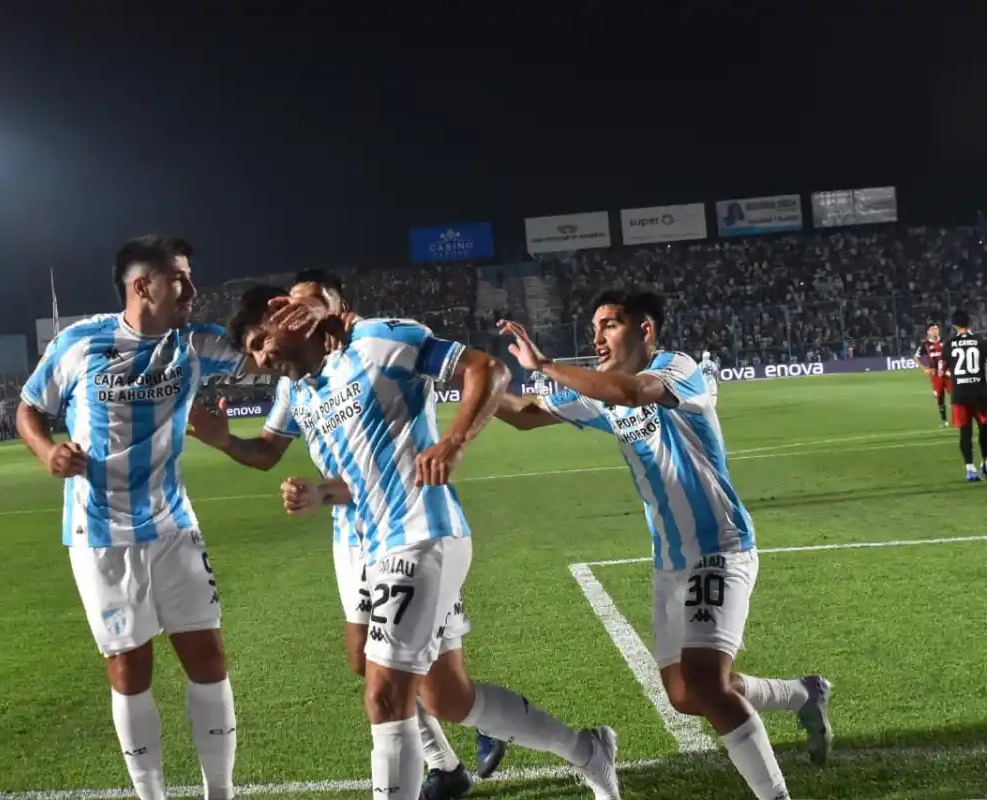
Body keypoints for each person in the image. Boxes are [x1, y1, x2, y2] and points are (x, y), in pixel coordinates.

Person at [227, 288, 621, 800]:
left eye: (259, 342)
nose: (259, 361)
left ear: (284, 313)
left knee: (386, 694)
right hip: (373, 546)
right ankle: (587, 748)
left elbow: (489, 370)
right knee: (449, 698)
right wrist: (322, 492)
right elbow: (365, 479)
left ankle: (442, 773)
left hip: (421, 534)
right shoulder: (306, 391)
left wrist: (453, 441)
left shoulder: (378, 339)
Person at [15, 235, 334, 800]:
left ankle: (221, 793)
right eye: (180, 279)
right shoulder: (79, 342)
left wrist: (316, 309)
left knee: (208, 656)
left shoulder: (197, 344)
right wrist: (48, 452)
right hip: (100, 531)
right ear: (143, 286)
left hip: (173, 525)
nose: (192, 289)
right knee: (129, 671)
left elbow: (271, 352)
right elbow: (29, 409)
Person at [494, 290, 833, 800]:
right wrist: (459, 379)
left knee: (703, 680)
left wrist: (543, 363)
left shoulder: (678, 369)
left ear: (645, 330)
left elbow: (632, 393)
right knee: (685, 693)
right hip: (671, 559)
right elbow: (523, 412)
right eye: (596, 328)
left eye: (610, 324)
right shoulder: (598, 393)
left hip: (719, 543)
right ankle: (802, 693)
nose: (598, 337)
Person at [189, 273, 507, 799]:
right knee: (367, 662)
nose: (305, 310)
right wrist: (227, 444)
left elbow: (479, 373)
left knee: (408, 679)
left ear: (336, 308)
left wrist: (453, 440)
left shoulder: (371, 346)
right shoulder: (298, 382)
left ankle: (472, 733)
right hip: (350, 530)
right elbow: (268, 452)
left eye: (316, 301)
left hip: (407, 525)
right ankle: (445, 763)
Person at [940, 310, 987, 480]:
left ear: (954, 326)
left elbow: (940, 372)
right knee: (985, 429)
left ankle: (970, 469)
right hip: (980, 394)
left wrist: (956, 376)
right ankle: (986, 463)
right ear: (971, 323)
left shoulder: (949, 345)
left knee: (965, 432)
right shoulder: (981, 342)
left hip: (959, 395)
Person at [915, 323, 952, 427]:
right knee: (940, 397)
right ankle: (944, 421)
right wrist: (924, 368)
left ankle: (961, 417)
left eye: (936, 328)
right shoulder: (924, 344)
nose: (935, 330)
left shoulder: (945, 341)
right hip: (935, 375)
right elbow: (916, 356)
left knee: (955, 395)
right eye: (932, 329)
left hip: (948, 373)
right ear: (928, 332)